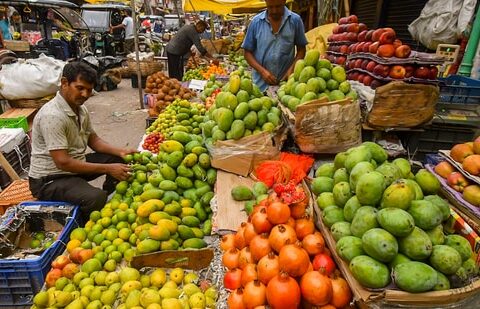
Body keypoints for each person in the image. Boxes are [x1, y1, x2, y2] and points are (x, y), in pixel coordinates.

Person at [28, 62, 136, 221]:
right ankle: (84, 224)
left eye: (89, 90)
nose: (85, 94)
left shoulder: (80, 109)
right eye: (80, 88)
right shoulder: (52, 116)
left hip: (74, 167)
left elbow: (94, 141)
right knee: (95, 197)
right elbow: (63, 162)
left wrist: (121, 151)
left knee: (120, 161)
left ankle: (112, 200)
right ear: (64, 83)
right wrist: (107, 168)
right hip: (50, 179)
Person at [241, 0, 308, 92]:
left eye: (278, 6)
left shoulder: (295, 21)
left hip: (286, 86)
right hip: (260, 86)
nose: (274, 11)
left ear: (284, 1)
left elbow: (301, 50)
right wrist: (262, 71)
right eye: (270, 7)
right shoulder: (256, 22)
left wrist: (291, 70)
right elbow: (247, 53)